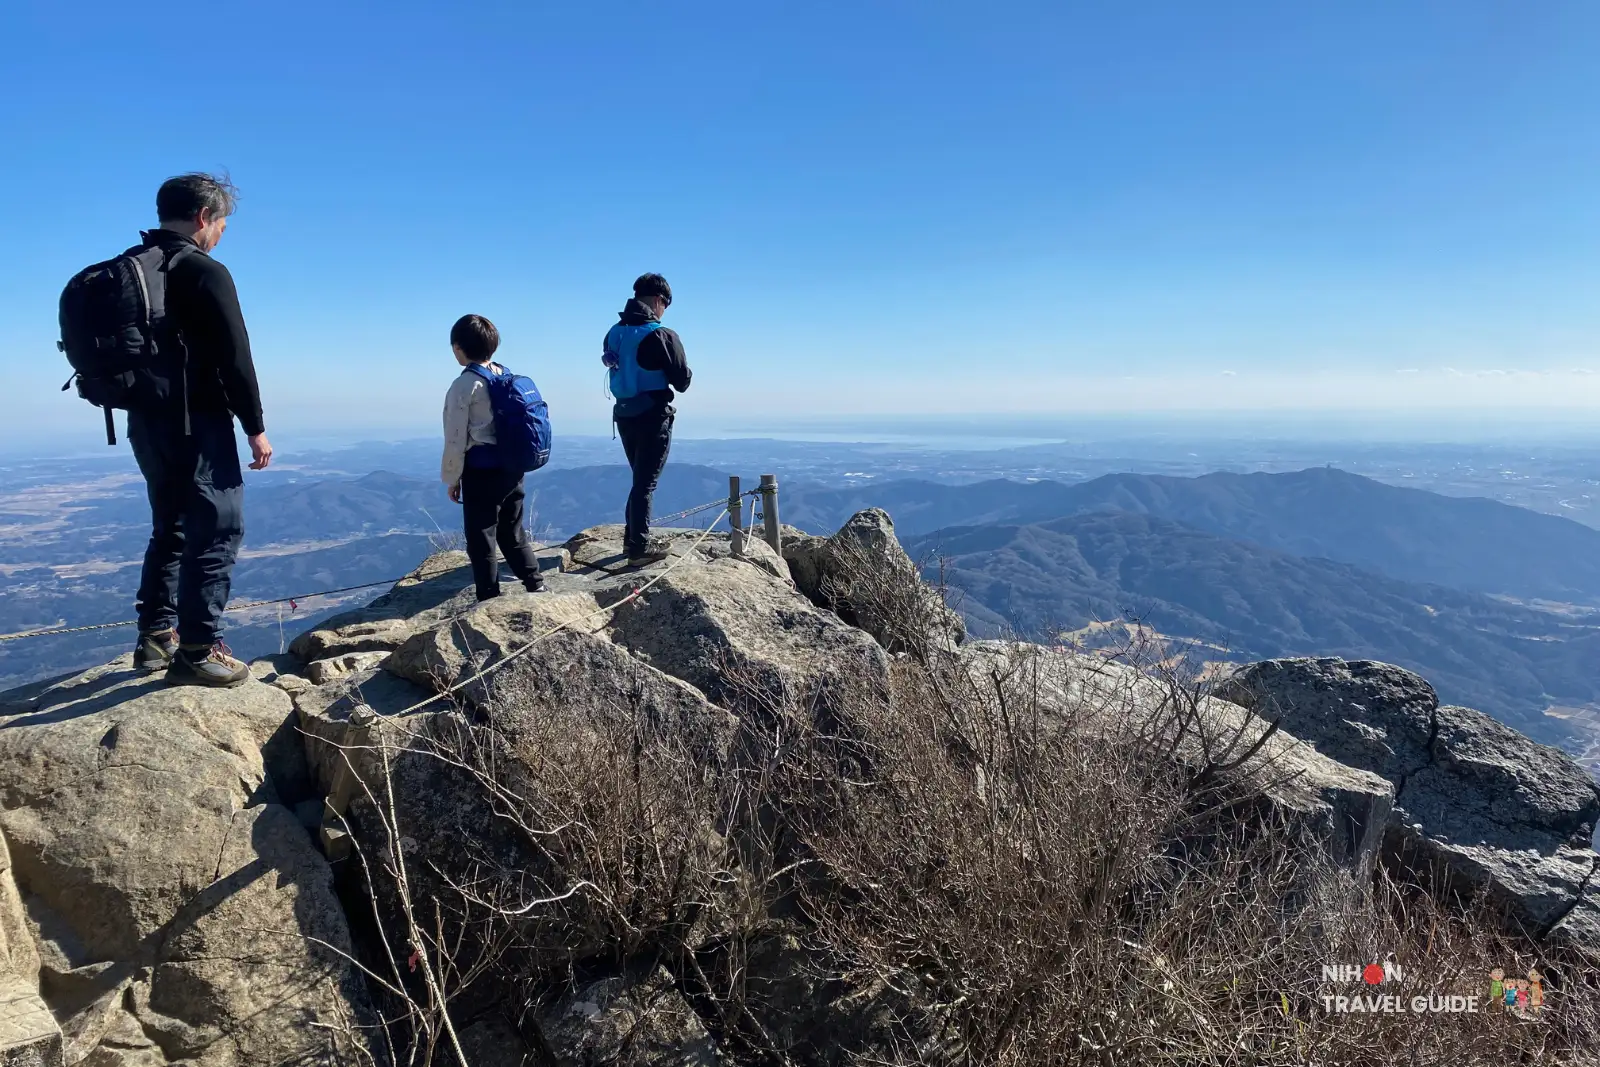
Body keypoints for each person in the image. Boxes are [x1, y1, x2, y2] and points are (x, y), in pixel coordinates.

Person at [128, 173, 272, 687]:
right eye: (222, 224)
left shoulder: (131, 269)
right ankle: (196, 649)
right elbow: (236, 356)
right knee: (217, 528)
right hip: (200, 423)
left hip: (145, 423)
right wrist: (255, 427)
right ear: (204, 218)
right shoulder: (204, 271)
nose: (220, 235)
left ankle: (154, 637)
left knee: (170, 524)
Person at [441, 314, 545, 600]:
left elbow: (455, 438)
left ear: (458, 348)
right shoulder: (506, 376)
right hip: (512, 467)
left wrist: (452, 478)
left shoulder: (465, 386)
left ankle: (489, 596)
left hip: (481, 471)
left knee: (481, 536)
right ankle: (535, 582)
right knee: (512, 531)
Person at [602, 273, 691, 563]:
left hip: (624, 415)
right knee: (645, 484)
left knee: (639, 480)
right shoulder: (660, 335)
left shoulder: (613, 332)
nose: (664, 310)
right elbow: (682, 381)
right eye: (665, 304)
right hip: (653, 416)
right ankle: (639, 548)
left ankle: (632, 541)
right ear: (657, 300)